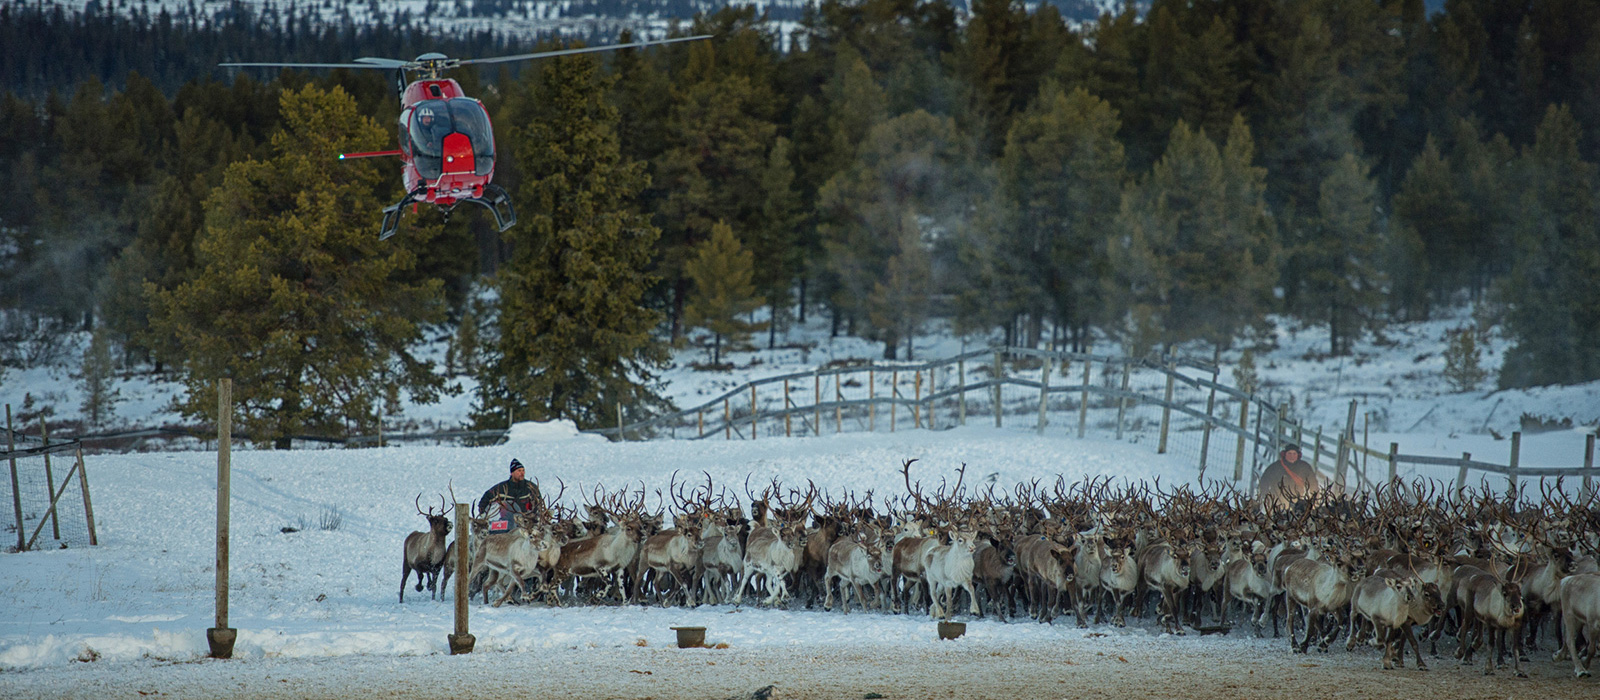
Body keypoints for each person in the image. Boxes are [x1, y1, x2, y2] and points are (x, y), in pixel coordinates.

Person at [479, 458, 543, 523]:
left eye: (523, 470)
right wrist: (483, 515)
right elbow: (486, 499)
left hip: (526, 523)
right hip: (507, 523)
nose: (522, 473)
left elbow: (539, 505)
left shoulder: (530, 487)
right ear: (512, 473)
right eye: (519, 471)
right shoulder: (502, 488)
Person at [1257, 444, 1319, 509]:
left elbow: (1313, 484)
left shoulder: (1304, 467)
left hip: (1297, 504)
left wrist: (1315, 499)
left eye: (1294, 454)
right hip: (1276, 502)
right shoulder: (1275, 467)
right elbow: (1264, 482)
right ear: (1284, 454)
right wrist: (1265, 497)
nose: (1292, 456)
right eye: (1289, 453)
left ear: (1298, 455)